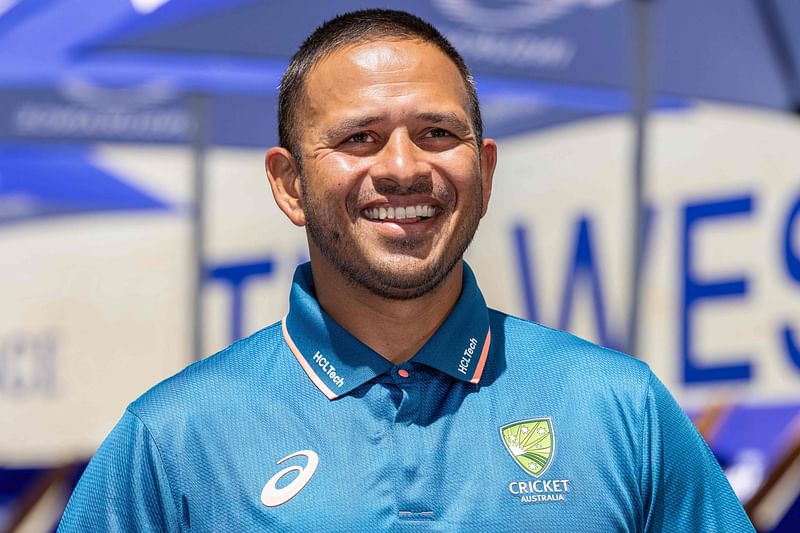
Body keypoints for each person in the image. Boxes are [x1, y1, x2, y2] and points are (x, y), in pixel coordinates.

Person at [59, 8, 754, 532]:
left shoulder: (621, 408)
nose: (401, 168)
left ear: (483, 173)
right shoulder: (173, 438)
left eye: (437, 134)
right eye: (359, 138)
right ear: (290, 184)